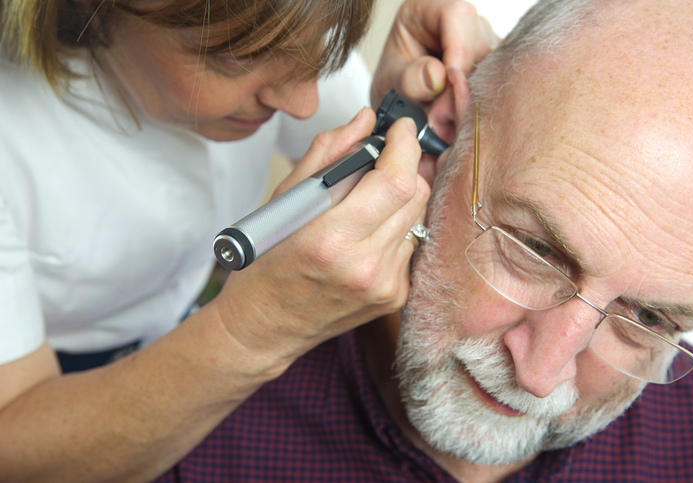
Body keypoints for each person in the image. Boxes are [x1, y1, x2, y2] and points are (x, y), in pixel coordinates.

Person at [156, 0, 693, 481]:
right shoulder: (186, 434)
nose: (541, 374)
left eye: (649, 318)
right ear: (446, 133)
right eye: (536, 251)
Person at [0, 0, 497, 481]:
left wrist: (421, 112)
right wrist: (249, 330)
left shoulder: (277, 30)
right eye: (239, 57)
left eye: (319, 49)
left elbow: (383, 161)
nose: (305, 104)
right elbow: (15, 453)